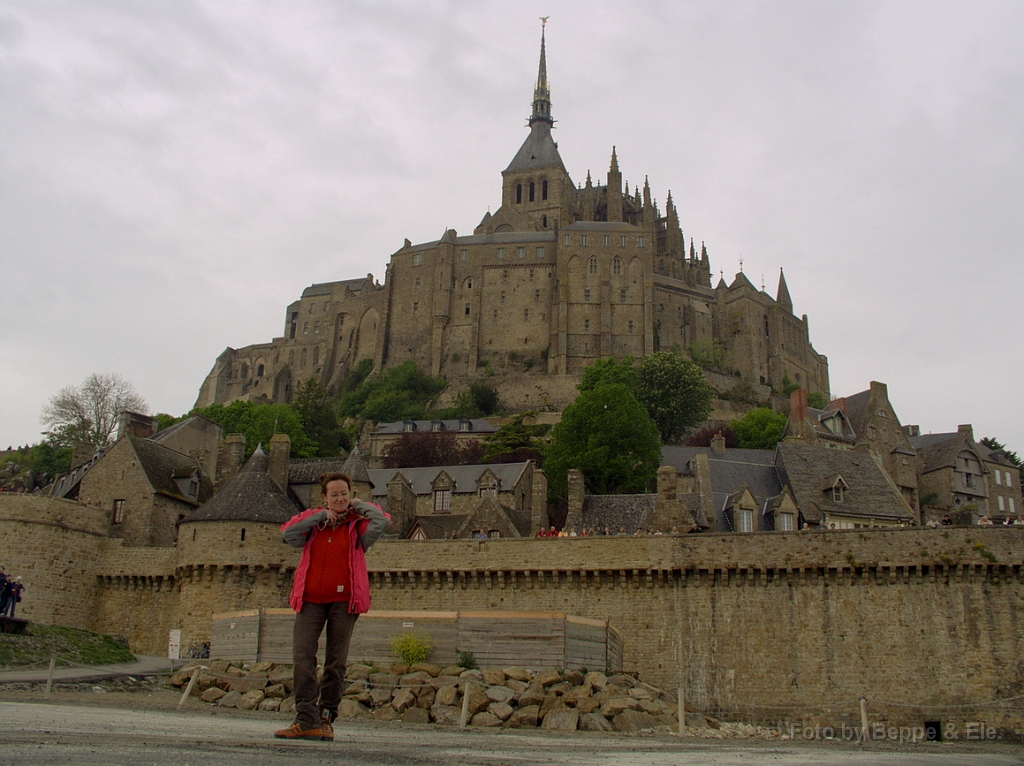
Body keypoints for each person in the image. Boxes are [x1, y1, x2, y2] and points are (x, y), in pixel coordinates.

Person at [274, 472, 390, 741]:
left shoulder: (358, 528)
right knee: (303, 659)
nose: (340, 498)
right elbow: (287, 532)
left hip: (344, 601)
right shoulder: (312, 527)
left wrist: (357, 505)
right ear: (324, 497)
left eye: (344, 493)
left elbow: (382, 521)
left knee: (335, 663)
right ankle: (306, 720)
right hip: (310, 600)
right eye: (334, 494)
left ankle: (326, 718)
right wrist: (318, 516)